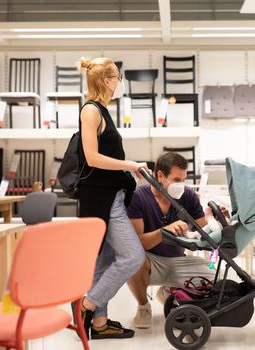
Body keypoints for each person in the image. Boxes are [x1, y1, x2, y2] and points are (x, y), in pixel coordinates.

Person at [76, 57, 147, 340]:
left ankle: (100, 323)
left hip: (110, 195)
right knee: (133, 256)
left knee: (104, 261)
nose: (119, 81)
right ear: (107, 81)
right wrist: (130, 164)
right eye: (117, 77)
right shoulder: (91, 111)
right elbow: (92, 158)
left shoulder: (103, 110)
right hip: (102, 199)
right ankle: (86, 305)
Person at [127, 152, 224, 329]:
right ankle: (143, 307)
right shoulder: (138, 197)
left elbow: (203, 229)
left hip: (179, 260)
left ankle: (169, 292)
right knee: (131, 259)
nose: (181, 185)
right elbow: (138, 243)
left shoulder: (187, 196)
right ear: (160, 176)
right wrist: (164, 232)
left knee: (219, 281)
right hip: (150, 262)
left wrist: (216, 219)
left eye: (184, 179)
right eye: (177, 179)